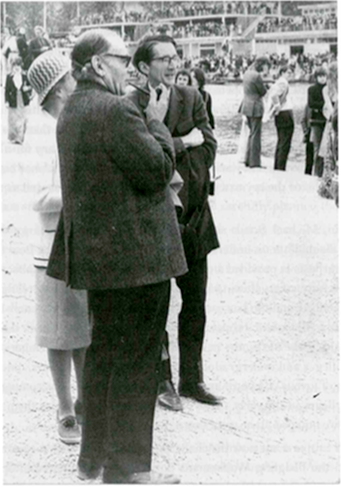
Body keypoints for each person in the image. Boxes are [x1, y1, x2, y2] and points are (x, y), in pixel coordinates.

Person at [46, 29, 187, 484]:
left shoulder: (71, 112)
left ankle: (94, 461)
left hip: (101, 262)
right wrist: (158, 120)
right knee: (137, 364)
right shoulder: (119, 109)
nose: (129, 67)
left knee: (105, 356)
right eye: (122, 59)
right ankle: (128, 470)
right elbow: (157, 169)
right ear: (98, 64)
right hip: (139, 261)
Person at [128, 34, 220, 412]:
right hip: (154, 220)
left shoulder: (193, 97)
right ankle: (161, 378)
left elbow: (211, 145)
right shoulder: (131, 103)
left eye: (175, 57)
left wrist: (183, 147)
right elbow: (145, 159)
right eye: (163, 59)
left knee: (195, 300)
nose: (172, 64)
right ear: (144, 67)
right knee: (156, 303)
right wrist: (182, 142)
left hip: (194, 217)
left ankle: (192, 378)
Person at [27, 49, 91, 445]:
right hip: (51, 246)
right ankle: (65, 407)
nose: (76, 83)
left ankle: (86, 402)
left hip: (81, 240)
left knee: (82, 329)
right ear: (56, 88)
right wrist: (80, 194)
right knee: (57, 333)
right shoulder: (40, 132)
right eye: (70, 78)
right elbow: (38, 197)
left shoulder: (76, 122)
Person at [240, 56, 270, 168]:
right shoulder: (257, 76)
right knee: (256, 135)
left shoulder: (247, 73)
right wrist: (267, 87)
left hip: (246, 105)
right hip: (255, 107)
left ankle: (248, 160)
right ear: (262, 65)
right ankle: (255, 162)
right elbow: (262, 92)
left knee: (251, 134)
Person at [265, 64, 294, 171]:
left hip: (281, 114)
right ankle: (281, 167)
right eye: (288, 72)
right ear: (282, 73)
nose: (290, 75)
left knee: (281, 140)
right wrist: (277, 106)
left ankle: (278, 166)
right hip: (285, 113)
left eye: (291, 73)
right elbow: (274, 95)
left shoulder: (279, 82)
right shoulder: (283, 82)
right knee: (285, 141)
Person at [318, 62, 338, 201]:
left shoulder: (326, 89)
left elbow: (328, 108)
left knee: (330, 155)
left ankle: (329, 186)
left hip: (332, 122)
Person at [5, 56, 31, 144]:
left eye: (18, 66)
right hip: (13, 99)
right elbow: (7, 90)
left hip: (23, 99)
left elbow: (30, 87)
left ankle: (20, 138)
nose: (17, 68)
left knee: (23, 118)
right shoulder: (9, 77)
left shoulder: (25, 76)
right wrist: (6, 101)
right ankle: (13, 137)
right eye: (15, 66)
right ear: (12, 67)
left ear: (21, 66)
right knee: (13, 119)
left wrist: (26, 89)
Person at [308, 67, 327, 177]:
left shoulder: (330, 88)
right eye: (320, 76)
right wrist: (324, 106)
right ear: (316, 77)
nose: (323, 79)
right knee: (317, 147)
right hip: (316, 121)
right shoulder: (311, 89)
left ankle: (325, 173)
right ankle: (317, 173)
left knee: (327, 148)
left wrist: (319, 107)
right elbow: (311, 104)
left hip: (325, 120)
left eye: (324, 76)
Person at [301, 104, 314, 175]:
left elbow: (303, 120)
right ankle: (308, 172)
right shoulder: (308, 106)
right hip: (310, 131)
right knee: (309, 155)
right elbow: (303, 120)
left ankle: (308, 173)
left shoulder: (308, 105)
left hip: (309, 131)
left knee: (309, 155)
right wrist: (306, 131)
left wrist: (305, 131)